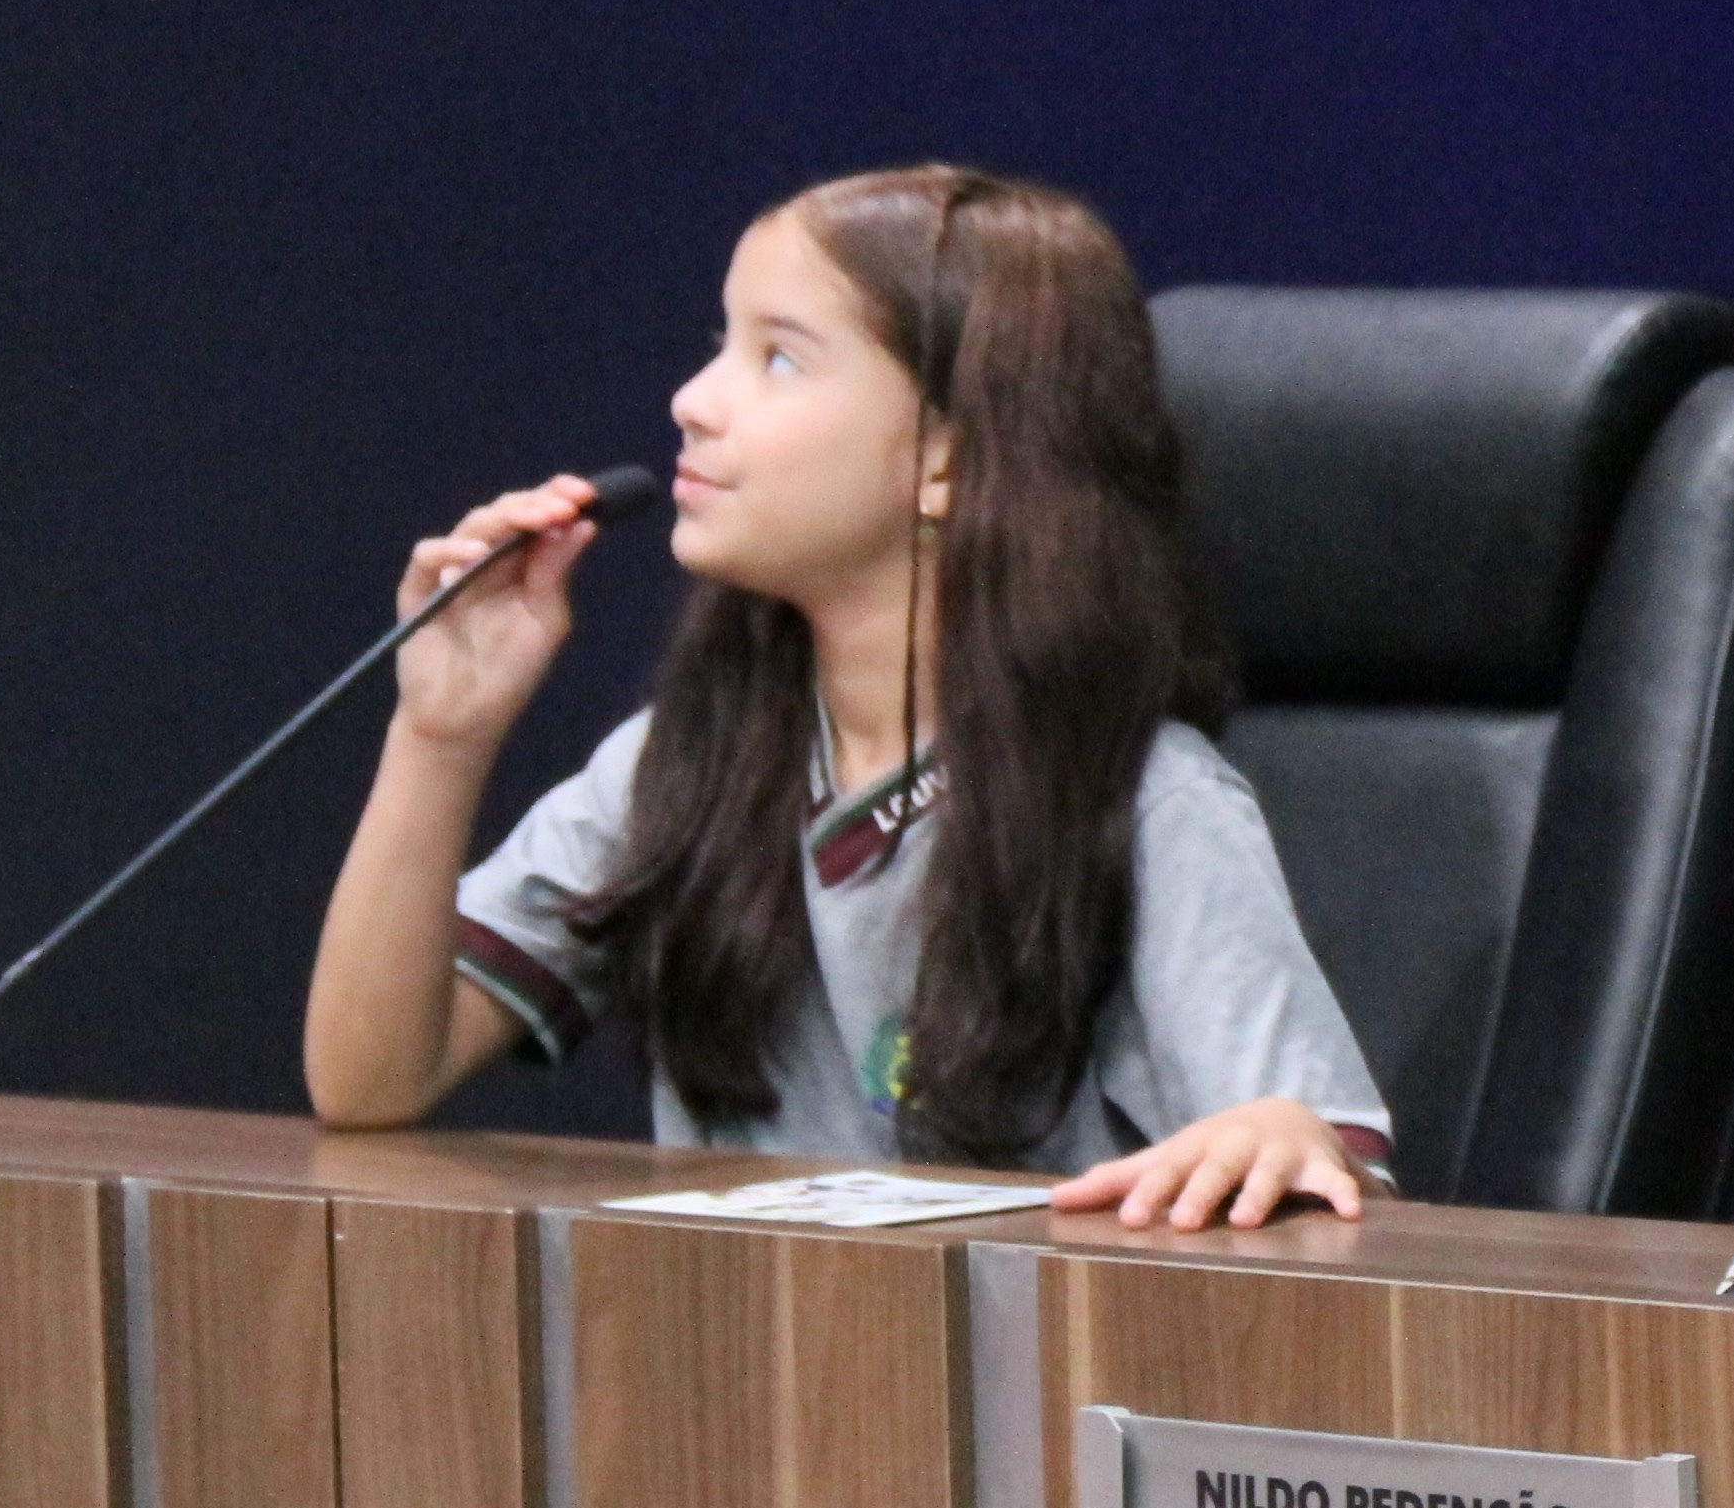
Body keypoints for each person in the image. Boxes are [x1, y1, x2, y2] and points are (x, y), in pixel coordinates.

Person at [304, 165, 1390, 1230]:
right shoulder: (683, 762)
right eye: (719, 344)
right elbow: (369, 1081)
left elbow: (1314, 1163)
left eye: (778, 357)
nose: (692, 401)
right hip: (737, 1335)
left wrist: (1283, 1132)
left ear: (949, 457)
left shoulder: (1147, 802)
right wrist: (439, 734)